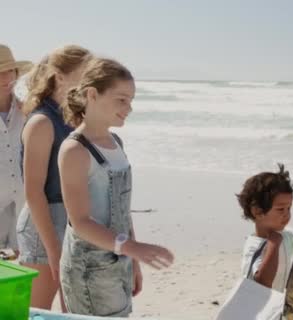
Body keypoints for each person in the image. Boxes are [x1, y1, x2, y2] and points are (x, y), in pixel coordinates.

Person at [58, 58, 174, 316]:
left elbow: (123, 209)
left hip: (117, 263)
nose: (129, 108)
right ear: (92, 95)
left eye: (131, 100)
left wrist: (132, 262)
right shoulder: (74, 150)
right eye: (122, 99)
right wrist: (134, 248)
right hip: (88, 270)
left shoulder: (116, 142)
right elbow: (80, 222)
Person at [17, 45, 91, 310]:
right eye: (86, 74)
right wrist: (53, 249)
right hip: (44, 224)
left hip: (72, 220)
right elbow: (33, 192)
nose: (90, 81)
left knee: (70, 310)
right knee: (36, 312)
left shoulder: (73, 118)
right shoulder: (42, 122)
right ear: (60, 77)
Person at [0, 44, 31, 258]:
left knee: (21, 272)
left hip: (23, 203)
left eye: (9, 71)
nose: (4, 78)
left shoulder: (29, 112)